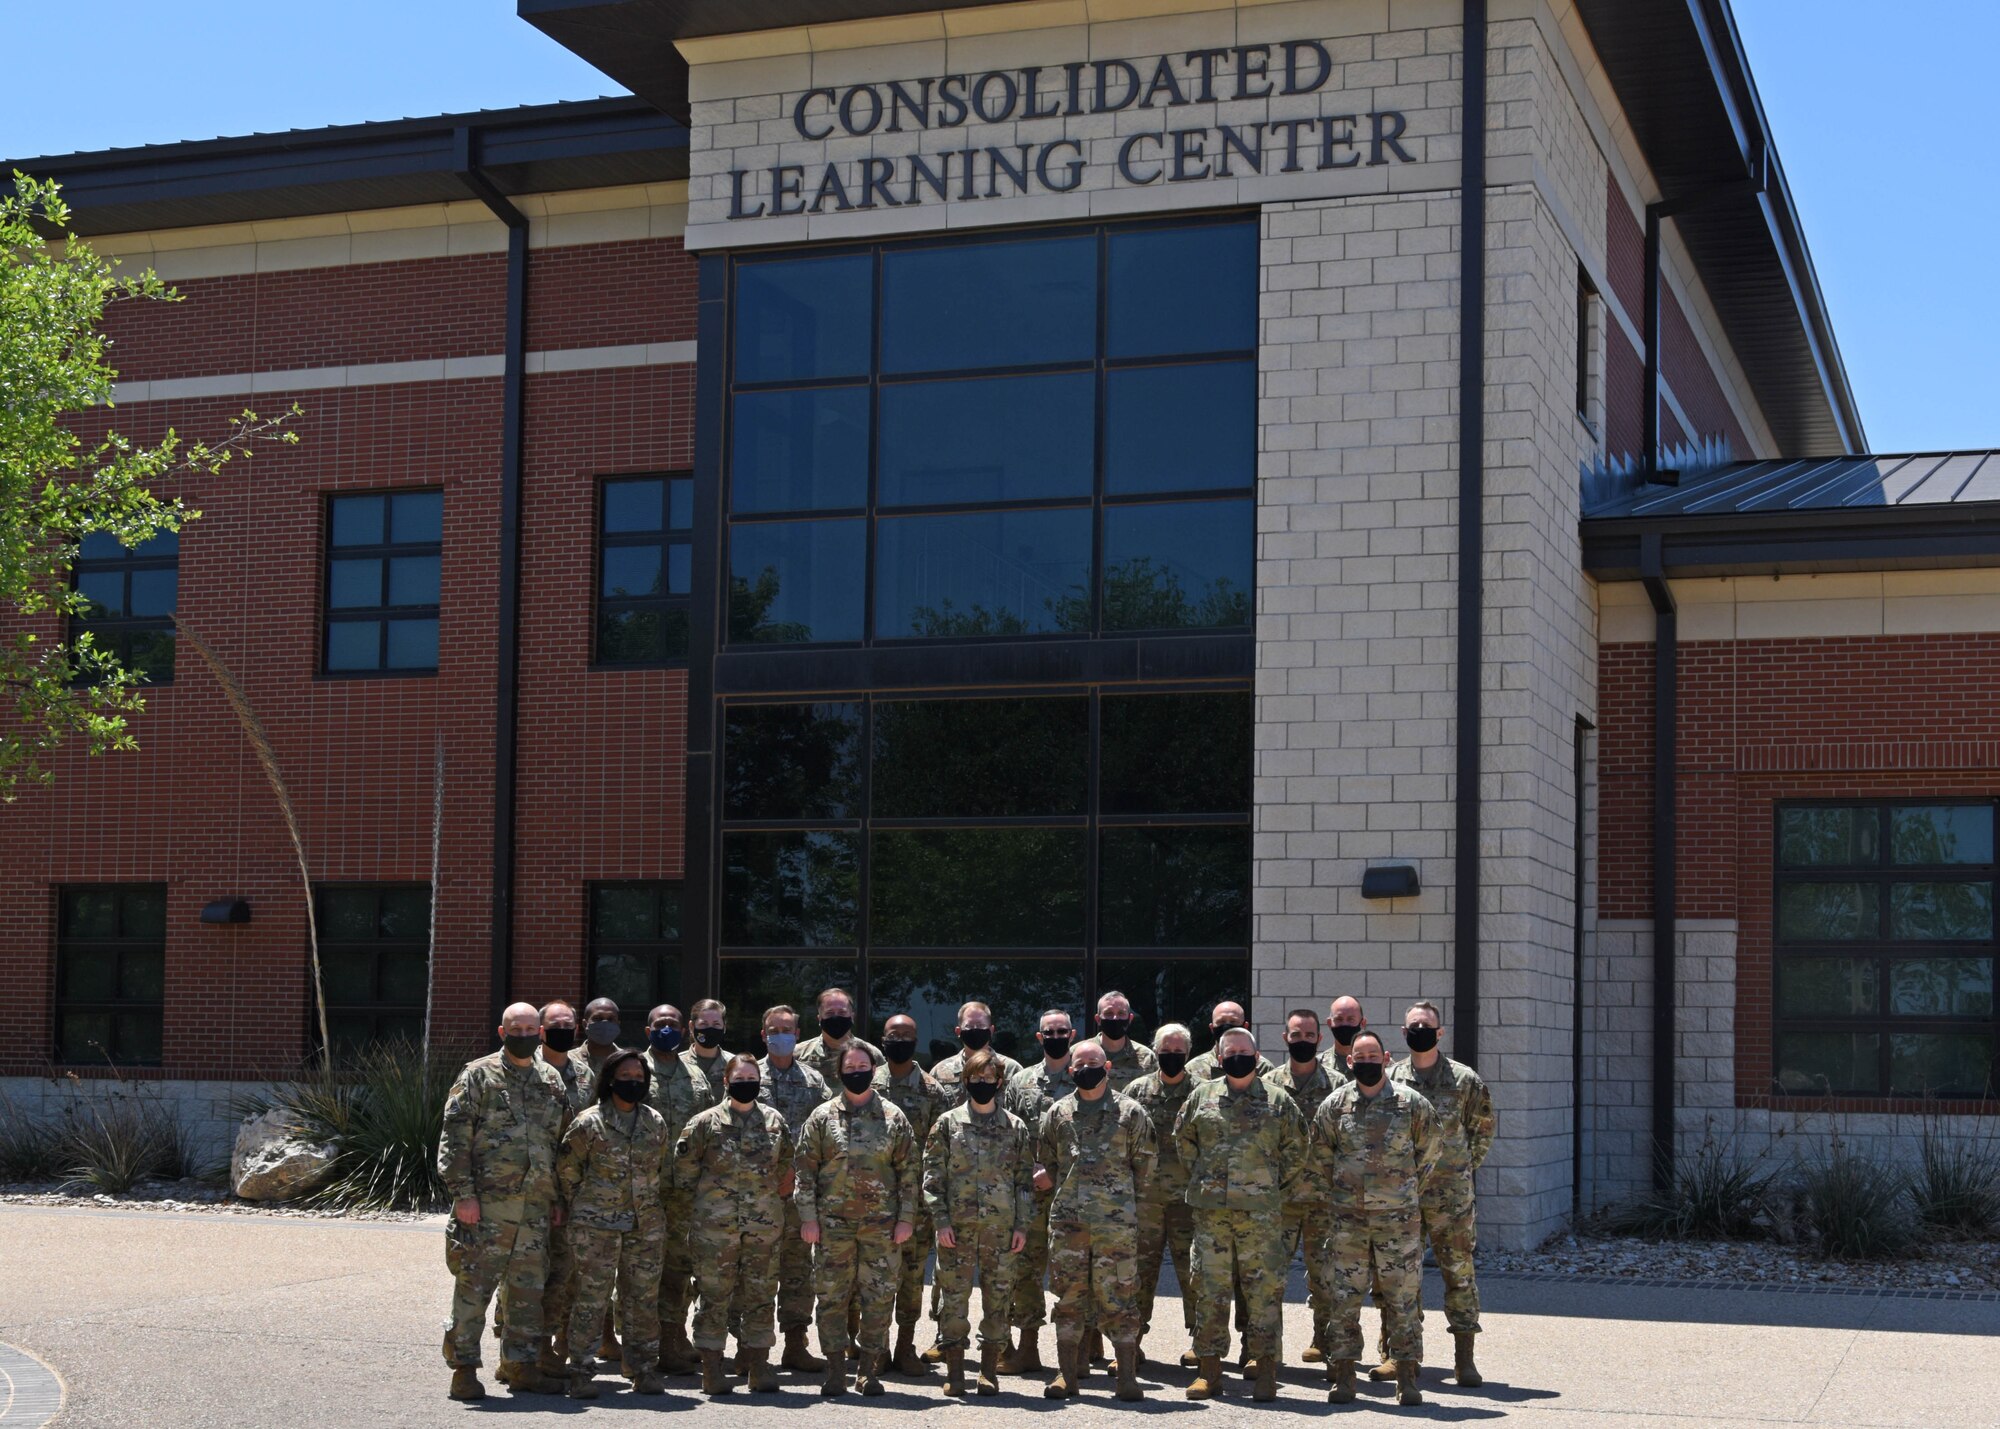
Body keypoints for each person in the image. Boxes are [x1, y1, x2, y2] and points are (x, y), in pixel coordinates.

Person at [438, 1003, 571, 1401]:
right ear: (502, 1032)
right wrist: (463, 1195)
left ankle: (521, 1365)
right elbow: (454, 1139)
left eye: (533, 1027)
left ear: (541, 1033)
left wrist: (558, 1198)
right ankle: (463, 1369)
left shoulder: (550, 1079)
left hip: (535, 1208)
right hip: (487, 1208)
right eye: (518, 1027)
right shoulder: (478, 1075)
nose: (526, 1034)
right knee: (474, 1289)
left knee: (526, 1292)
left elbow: (559, 1143)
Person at [1172, 1027, 1306, 1402]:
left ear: (1257, 1054)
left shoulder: (1278, 1100)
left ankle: (1265, 1370)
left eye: (1244, 1051)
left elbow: (1298, 1149)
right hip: (1212, 1214)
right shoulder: (1202, 1096)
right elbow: (1183, 1142)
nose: (1237, 1057)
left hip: (1260, 1216)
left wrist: (1269, 1187)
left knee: (1263, 1293)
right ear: (1219, 1058)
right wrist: (1206, 1180)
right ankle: (1210, 1371)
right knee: (1210, 1292)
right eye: (1230, 1052)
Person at [1308, 1029, 1438, 1407]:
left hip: (1398, 1222)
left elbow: (1428, 1154)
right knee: (1344, 1299)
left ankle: (1407, 1376)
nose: (1366, 1062)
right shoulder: (1335, 1106)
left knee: (1403, 1300)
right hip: (1348, 1222)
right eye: (1359, 1058)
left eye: (1372, 1056)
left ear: (1386, 1058)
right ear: (1350, 1062)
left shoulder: (1410, 1103)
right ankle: (1345, 1375)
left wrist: (1402, 1192)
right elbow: (1319, 1157)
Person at [1033, 1040, 1156, 1401]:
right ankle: (1067, 1375)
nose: (1086, 1067)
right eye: (1080, 1062)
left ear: (1108, 1068)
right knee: (1068, 1299)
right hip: (1069, 1225)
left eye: (1094, 1061)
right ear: (1070, 1071)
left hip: (1115, 1226)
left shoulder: (1131, 1113)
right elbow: (1047, 1166)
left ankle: (1127, 1378)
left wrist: (1122, 1207)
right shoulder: (1058, 1113)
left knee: (1119, 1298)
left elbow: (1146, 1168)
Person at [794, 1045, 917, 1397]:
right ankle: (835, 1370)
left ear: (874, 1070)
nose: (857, 1071)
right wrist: (808, 1218)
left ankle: (868, 1371)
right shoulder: (821, 1117)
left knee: (877, 1299)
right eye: (851, 1066)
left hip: (881, 1227)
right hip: (833, 1226)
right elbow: (805, 1171)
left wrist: (906, 1218)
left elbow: (909, 1172)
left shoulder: (894, 1117)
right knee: (832, 1298)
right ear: (840, 1071)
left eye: (864, 1065)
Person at [1384, 1000, 1495, 1388]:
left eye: (1426, 1025)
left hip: (1451, 1197)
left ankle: (1464, 1359)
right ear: (1403, 1032)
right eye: (1413, 1025)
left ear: (1440, 1032)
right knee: (1401, 1278)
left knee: (1459, 1273)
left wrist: (1460, 1169)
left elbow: (1482, 1131)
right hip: (1405, 1197)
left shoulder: (1464, 1080)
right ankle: (1401, 1356)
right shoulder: (1391, 1077)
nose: (1420, 1030)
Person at [677, 1053, 796, 1395]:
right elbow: (684, 1174)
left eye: (752, 1078)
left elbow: (786, 1169)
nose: (747, 1084)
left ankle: (758, 1365)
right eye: (739, 1079)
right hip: (715, 1231)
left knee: (760, 1297)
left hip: (762, 1228)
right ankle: (712, 1369)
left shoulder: (774, 1122)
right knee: (713, 1297)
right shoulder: (704, 1124)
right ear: (726, 1083)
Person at [559, 1048, 672, 1400]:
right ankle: (580, 1370)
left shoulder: (654, 1122)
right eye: (625, 1077)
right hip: (597, 1227)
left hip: (645, 1225)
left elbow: (660, 1170)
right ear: (609, 1080)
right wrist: (588, 1206)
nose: (632, 1083)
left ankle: (643, 1368)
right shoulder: (589, 1122)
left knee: (642, 1299)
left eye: (639, 1078)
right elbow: (568, 1172)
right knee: (592, 1298)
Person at [921, 1047, 1033, 1397]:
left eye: (988, 1078)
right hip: (958, 1229)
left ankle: (988, 1372)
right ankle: (955, 1373)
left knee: (998, 1301)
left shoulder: (1015, 1127)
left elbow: (1023, 1181)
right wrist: (941, 1221)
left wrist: (1021, 1226)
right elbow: (932, 1177)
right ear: (965, 1080)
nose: (982, 1083)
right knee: (953, 1299)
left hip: (1001, 1230)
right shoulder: (947, 1123)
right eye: (975, 1078)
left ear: (1000, 1082)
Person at [756, 1004, 834, 1372]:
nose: (781, 1035)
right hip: (756, 1193)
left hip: (800, 1193)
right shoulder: (749, 1076)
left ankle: (795, 1344)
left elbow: (826, 1134)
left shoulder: (813, 1081)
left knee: (798, 1269)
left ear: (798, 1034)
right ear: (764, 1035)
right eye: (775, 1029)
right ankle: (750, 1347)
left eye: (788, 1029)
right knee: (755, 1271)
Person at [999, 1007, 1077, 1372]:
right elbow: (1010, 1133)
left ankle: (1077, 1352)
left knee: (1073, 1272)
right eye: (1050, 1031)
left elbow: (1096, 1142)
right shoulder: (1021, 1082)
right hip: (1029, 1194)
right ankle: (1027, 1347)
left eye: (1063, 1030)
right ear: (1039, 1037)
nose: (1057, 1036)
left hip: (1073, 1194)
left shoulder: (1087, 1077)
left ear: (1073, 1035)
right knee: (1025, 1271)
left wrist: (1056, 1173)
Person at [873, 1013, 948, 1376]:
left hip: (914, 1205)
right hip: (870, 1201)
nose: (899, 1040)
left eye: (906, 1034)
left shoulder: (933, 1091)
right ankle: (875, 1347)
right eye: (893, 1034)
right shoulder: (867, 1083)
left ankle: (904, 1347)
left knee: (911, 1276)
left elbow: (940, 1151)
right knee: (872, 1277)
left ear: (916, 1039)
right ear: (882, 1038)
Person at [1264, 1007, 1340, 1364]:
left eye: (1309, 1036)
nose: (1303, 1041)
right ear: (1285, 1038)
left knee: (1325, 1278)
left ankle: (1325, 1341)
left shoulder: (1338, 1085)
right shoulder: (1269, 1085)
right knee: (1270, 1277)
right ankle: (1266, 1352)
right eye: (1296, 1036)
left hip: (1325, 1199)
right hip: (1281, 1199)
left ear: (1319, 1038)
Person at [1124, 1022, 1198, 1370]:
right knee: (1139, 1273)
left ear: (1188, 1053)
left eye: (1178, 1051)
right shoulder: (1136, 1091)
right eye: (1165, 1051)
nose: (1171, 1056)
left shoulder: (1200, 1091)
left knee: (1194, 1273)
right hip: (1146, 1200)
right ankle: (1131, 1343)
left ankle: (1203, 1343)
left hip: (1188, 1201)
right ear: (1155, 1052)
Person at [524, 1001, 592, 1374]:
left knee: (564, 1271)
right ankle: (519, 1352)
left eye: (568, 1023)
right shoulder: (523, 1070)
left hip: (569, 1190)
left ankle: (550, 1347)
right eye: (555, 1024)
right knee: (526, 1274)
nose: (562, 1029)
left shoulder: (584, 1076)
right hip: (528, 1190)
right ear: (541, 1028)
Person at [645, 1003, 712, 1375]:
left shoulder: (697, 1076)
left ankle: (672, 1340)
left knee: (678, 1268)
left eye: (673, 1024)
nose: (666, 1029)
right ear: (648, 1030)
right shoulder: (634, 1069)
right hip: (644, 1190)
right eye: (660, 1024)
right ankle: (639, 1345)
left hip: (685, 1192)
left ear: (684, 1031)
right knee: (639, 1269)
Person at [931, 1001, 1022, 1111]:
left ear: (991, 1030)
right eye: (968, 1026)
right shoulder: (940, 1072)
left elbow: (1020, 1114)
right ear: (958, 1031)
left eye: (980, 1025)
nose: (975, 1029)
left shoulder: (1011, 1069)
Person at [796, 987, 884, 1082]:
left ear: (852, 1017)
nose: (836, 1017)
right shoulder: (799, 1054)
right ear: (819, 1019)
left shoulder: (872, 1054)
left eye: (842, 1012)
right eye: (829, 1013)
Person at [1185, 1002, 1275, 1080]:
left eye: (1233, 1022)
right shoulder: (1194, 1069)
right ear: (1212, 1028)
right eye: (1221, 1022)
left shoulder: (1263, 1068)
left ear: (1245, 1027)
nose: (1227, 1026)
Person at [1086, 989, 1156, 1090]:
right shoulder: (1077, 1054)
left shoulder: (1147, 1058)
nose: (1115, 1018)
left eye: (1121, 1013)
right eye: (1109, 1013)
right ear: (1098, 1019)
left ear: (1130, 1019)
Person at [681, 998, 733, 1099]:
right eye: (704, 1024)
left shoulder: (735, 1065)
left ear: (724, 1027)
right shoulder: (678, 1064)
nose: (710, 1029)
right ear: (691, 1026)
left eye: (716, 1024)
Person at [580, 997, 627, 1079]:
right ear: (585, 1024)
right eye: (598, 1018)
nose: (605, 1023)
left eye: (611, 1019)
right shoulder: (568, 1060)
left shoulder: (628, 1061)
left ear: (618, 1024)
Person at [1323, 995, 1365, 1082]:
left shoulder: (1381, 1064)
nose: (1344, 1025)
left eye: (1351, 1019)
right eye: (1339, 1019)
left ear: (1363, 1023)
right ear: (1329, 1023)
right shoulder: (1319, 1066)